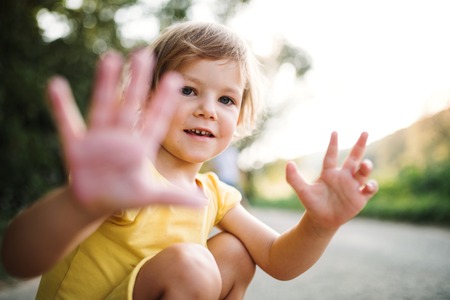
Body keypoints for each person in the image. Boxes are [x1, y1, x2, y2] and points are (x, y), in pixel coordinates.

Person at [1, 21, 378, 299]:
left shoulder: (214, 193)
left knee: (235, 252)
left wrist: (320, 224)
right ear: (148, 98)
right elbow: (18, 259)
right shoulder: (125, 177)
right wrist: (79, 204)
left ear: (242, 115)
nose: (208, 110)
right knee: (193, 266)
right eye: (188, 90)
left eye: (226, 99)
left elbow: (278, 260)